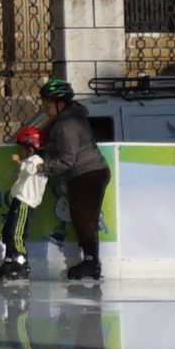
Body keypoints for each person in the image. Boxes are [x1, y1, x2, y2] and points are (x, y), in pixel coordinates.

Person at [34, 80, 113, 281]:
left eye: (47, 104)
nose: (44, 108)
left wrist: (43, 167)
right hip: (90, 171)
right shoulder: (69, 118)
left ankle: (91, 262)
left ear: (60, 104)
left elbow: (67, 160)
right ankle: (90, 260)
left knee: (84, 219)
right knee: (83, 218)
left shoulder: (66, 125)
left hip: (86, 174)